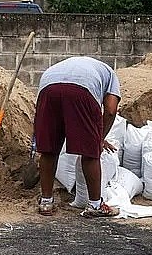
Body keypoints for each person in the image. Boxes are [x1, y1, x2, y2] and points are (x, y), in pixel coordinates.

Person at [34, 56, 121, 218]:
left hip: (47, 88)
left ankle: (46, 202)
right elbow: (110, 110)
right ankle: (95, 205)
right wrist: (99, 139)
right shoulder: (111, 74)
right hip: (82, 90)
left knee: (49, 149)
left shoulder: (68, 65)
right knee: (89, 152)